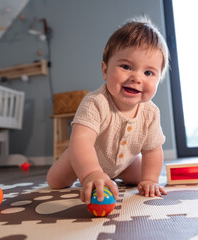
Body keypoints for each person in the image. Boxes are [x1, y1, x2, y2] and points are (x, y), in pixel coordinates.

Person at [47, 16, 169, 204]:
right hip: (83, 157)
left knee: (142, 178)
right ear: (105, 70)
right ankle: (90, 170)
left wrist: (150, 180)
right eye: (126, 66)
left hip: (124, 163)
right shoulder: (95, 102)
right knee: (55, 181)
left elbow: (153, 150)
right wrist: (91, 173)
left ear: (158, 79)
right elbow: (81, 140)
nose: (137, 78)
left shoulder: (151, 113)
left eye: (148, 73)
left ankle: (116, 174)